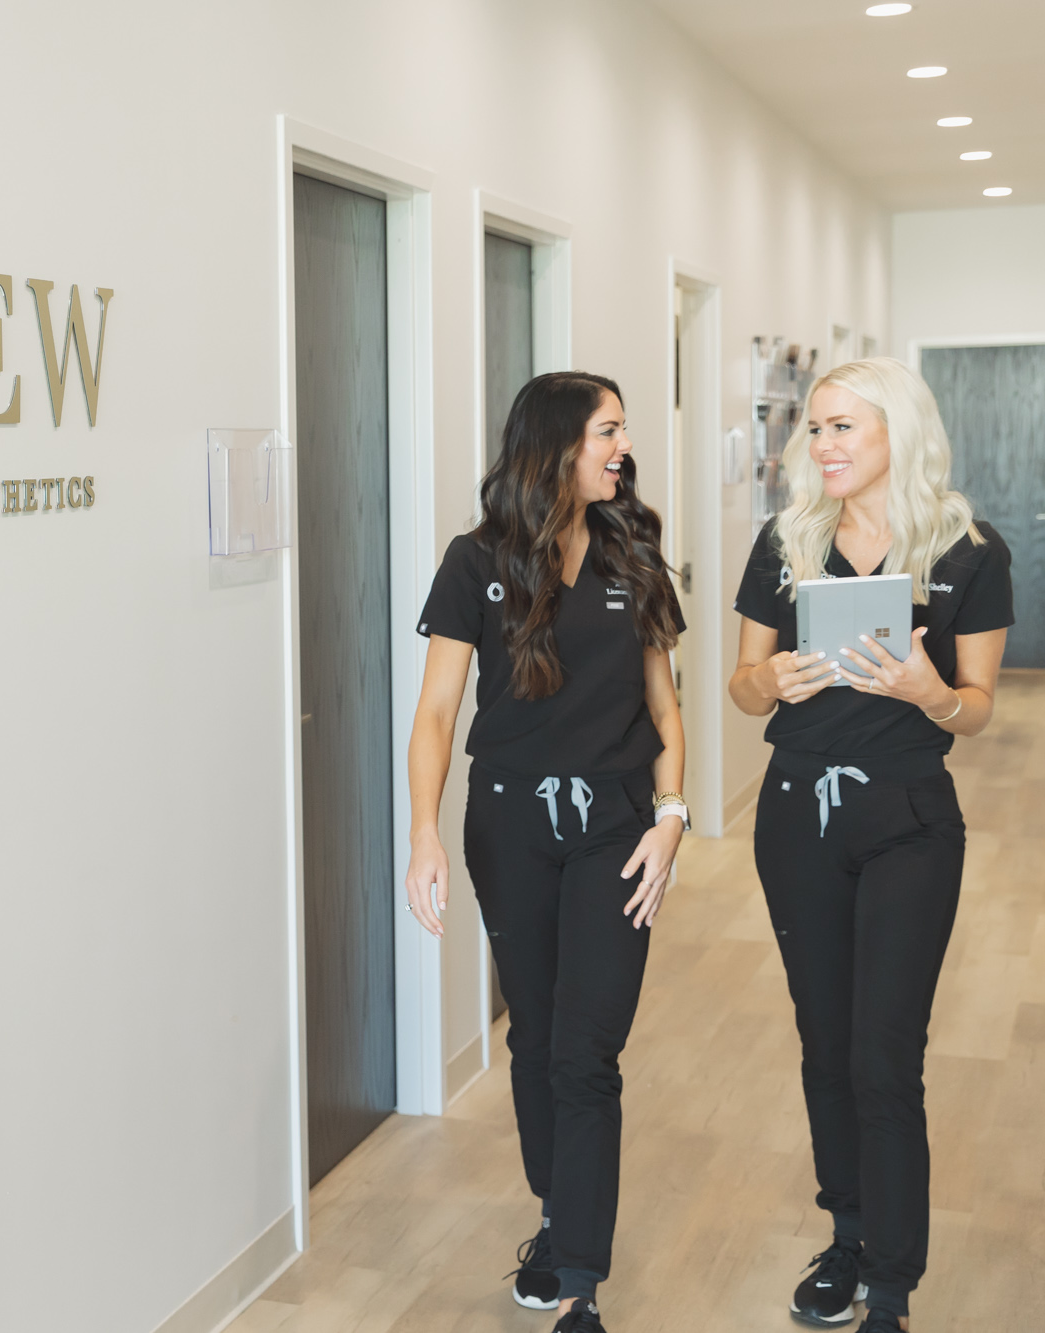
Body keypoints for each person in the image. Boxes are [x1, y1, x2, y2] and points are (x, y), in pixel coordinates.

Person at [728, 357, 1012, 1333]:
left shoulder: (968, 550)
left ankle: (888, 1284)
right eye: (814, 429)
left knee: (882, 1053)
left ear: (898, 431)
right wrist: (776, 684)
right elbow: (738, 681)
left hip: (905, 819)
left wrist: (922, 690)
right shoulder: (784, 540)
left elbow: (973, 710)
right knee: (823, 1041)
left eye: (843, 426)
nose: (822, 446)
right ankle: (845, 1236)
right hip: (794, 814)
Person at [404, 372, 687, 1333]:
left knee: (586, 1049)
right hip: (509, 825)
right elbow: (438, 712)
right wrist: (423, 833)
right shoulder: (475, 560)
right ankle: (560, 1214)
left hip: (617, 826)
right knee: (534, 1035)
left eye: (621, 431)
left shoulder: (633, 550)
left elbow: (665, 706)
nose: (623, 446)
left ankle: (579, 1285)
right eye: (609, 430)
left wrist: (673, 815)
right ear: (560, 444)